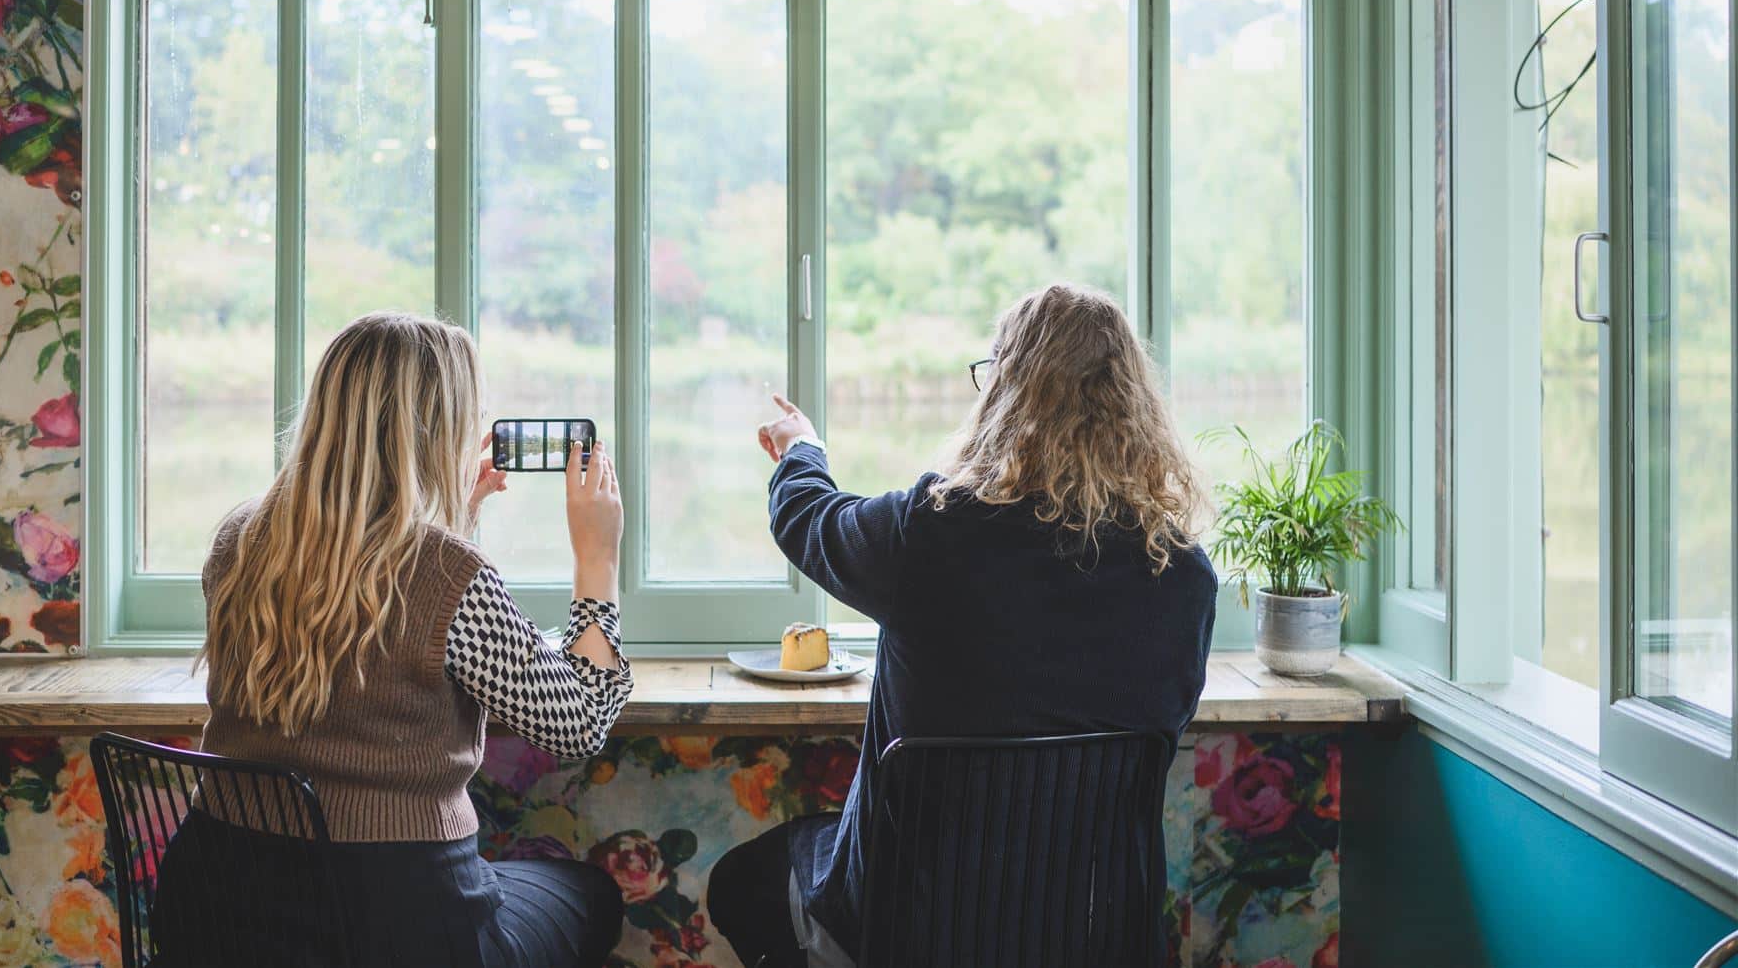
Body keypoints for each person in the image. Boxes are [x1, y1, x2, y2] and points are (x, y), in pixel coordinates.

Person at [706, 282, 1218, 968]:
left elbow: (812, 522)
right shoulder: (1184, 576)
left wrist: (803, 450)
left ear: (1005, 392)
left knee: (741, 882)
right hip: (1095, 938)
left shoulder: (932, 534)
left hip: (913, 934)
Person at [154, 311, 631, 968]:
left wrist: (455, 519)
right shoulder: (445, 572)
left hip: (219, 912)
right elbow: (578, 723)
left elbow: (358, 618)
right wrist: (597, 562)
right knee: (588, 891)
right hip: (395, 928)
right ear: (440, 433)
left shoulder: (241, 536)